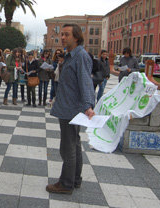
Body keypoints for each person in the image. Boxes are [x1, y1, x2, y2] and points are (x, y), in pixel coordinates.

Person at [47, 24, 95, 195]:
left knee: (68, 147)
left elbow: (85, 82)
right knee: (74, 144)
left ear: (76, 37)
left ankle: (66, 184)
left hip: (71, 109)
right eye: (62, 34)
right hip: (68, 107)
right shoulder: (70, 56)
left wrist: (88, 106)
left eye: (67, 35)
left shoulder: (80, 56)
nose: (63, 37)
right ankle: (75, 179)